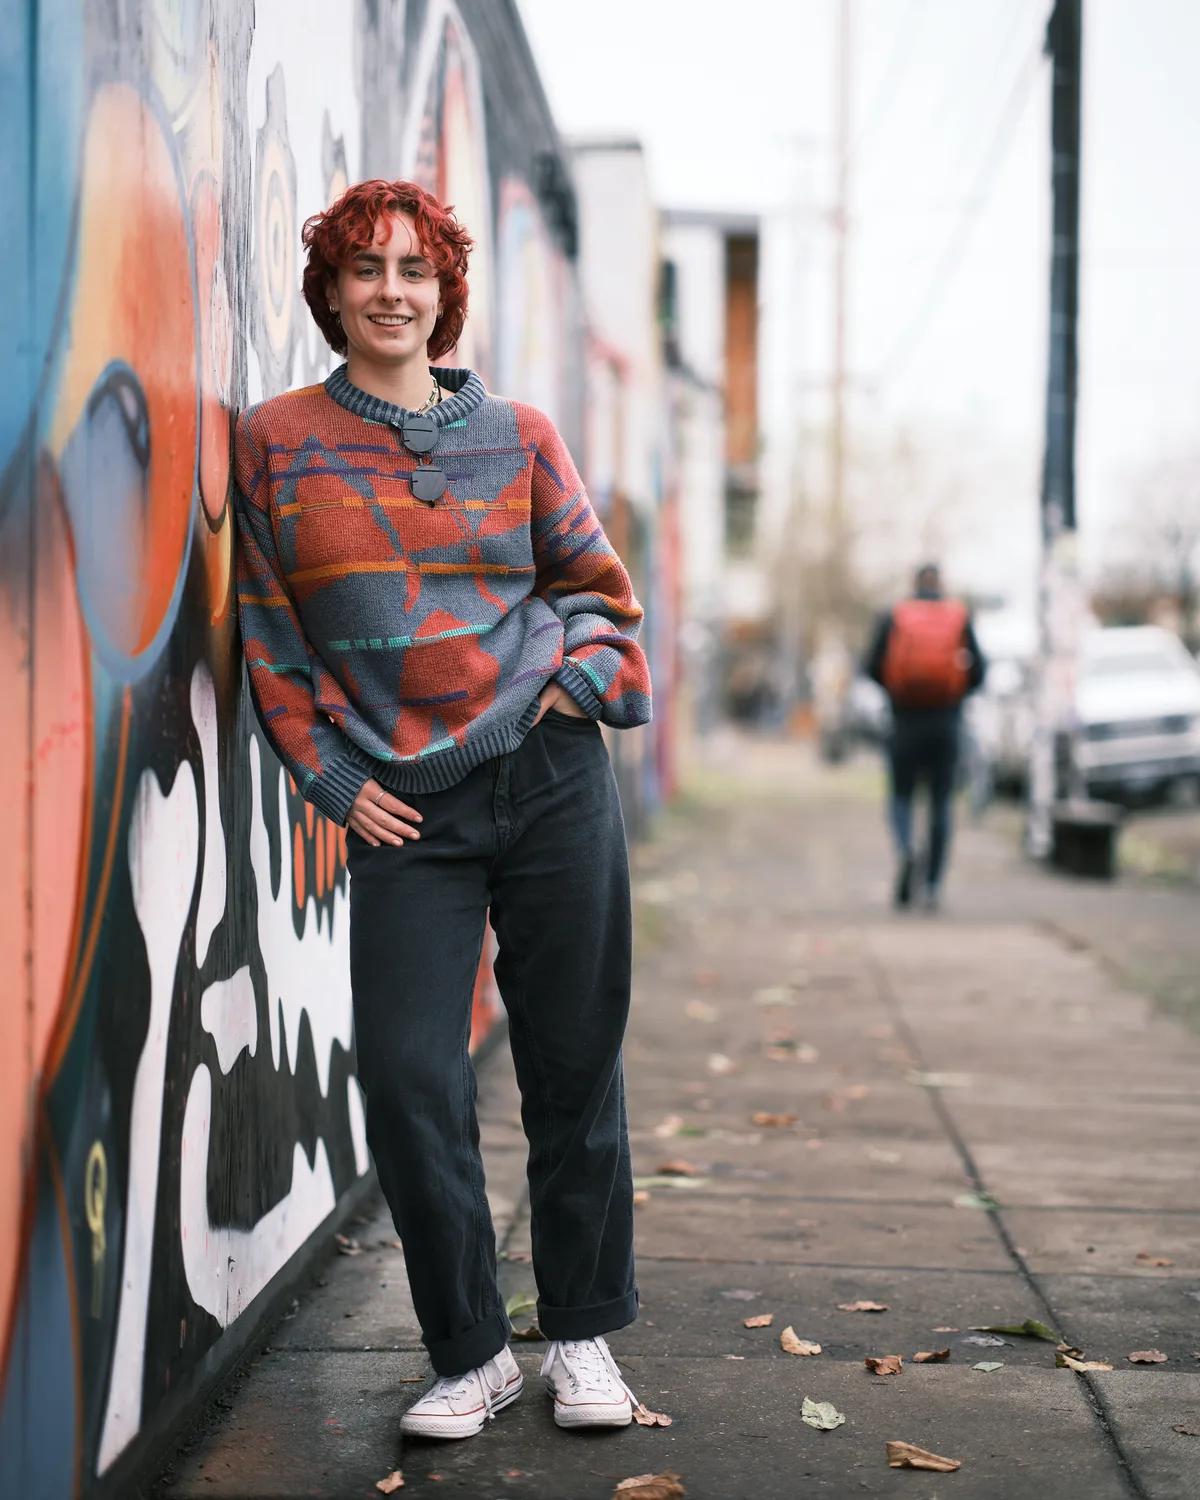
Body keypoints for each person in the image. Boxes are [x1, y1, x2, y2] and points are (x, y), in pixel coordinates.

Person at [234, 180, 651, 1440]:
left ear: (444, 292)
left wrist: (576, 690)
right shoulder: (273, 443)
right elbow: (267, 637)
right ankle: (471, 1352)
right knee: (413, 1074)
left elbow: (602, 594)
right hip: (406, 811)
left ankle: (581, 1340)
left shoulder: (519, 433)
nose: (392, 291)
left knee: (572, 1069)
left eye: (414, 269)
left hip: (550, 779)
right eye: (365, 269)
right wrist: (334, 780)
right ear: (331, 293)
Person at [865, 564, 985, 909]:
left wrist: (897, 693)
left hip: (904, 721)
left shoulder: (894, 616)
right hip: (946, 722)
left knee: (901, 795)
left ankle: (905, 850)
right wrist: (955, 695)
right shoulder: (959, 616)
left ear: (913, 584)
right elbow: (979, 671)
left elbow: (872, 666)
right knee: (940, 802)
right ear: (941, 584)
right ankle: (932, 885)